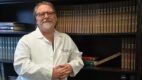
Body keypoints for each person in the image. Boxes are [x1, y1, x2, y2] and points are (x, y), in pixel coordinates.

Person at [13, 1, 84, 80]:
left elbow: (77, 58)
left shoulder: (65, 38)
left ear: (56, 18)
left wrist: (71, 66)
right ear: (36, 19)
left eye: (50, 13)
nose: (46, 16)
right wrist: (50, 73)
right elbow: (21, 66)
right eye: (41, 14)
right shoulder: (25, 40)